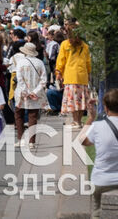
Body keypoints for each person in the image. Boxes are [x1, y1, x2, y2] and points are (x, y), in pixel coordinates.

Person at [80, 88, 118, 219]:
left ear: (106, 108)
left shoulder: (98, 126)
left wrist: (91, 118)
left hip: (101, 181)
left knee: (97, 212)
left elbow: (82, 141)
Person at [12, 41, 47, 145]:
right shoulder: (40, 62)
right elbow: (43, 80)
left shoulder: (21, 62)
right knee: (33, 116)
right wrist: (34, 92)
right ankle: (32, 141)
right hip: (36, 92)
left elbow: (19, 78)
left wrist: (26, 91)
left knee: (19, 115)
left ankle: (20, 139)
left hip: (22, 93)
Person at [56, 24, 92, 126]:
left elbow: (61, 60)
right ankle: (79, 121)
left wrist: (58, 72)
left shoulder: (65, 44)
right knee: (81, 101)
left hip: (70, 75)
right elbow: (88, 62)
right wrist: (88, 73)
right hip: (82, 76)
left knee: (73, 101)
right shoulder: (85, 46)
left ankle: (75, 120)